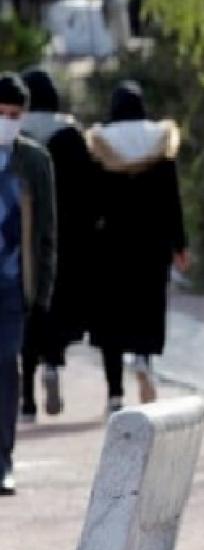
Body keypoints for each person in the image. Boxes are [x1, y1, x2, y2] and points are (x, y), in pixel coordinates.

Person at [85, 81, 188, 412]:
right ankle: (143, 359)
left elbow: (90, 204)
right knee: (146, 308)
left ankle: (115, 393)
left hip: (110, 245)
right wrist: (180, 245)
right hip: (152, 244)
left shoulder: (100, 143)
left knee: (110, 320)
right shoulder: (160, 141)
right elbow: (172, 200)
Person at [18, 69, 98, 422]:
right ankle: (53, 362)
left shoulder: (15, 137)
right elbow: (89, 194)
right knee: (57, 305)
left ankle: (26, 399)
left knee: (23, 312)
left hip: (19, 240)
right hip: (65, 240)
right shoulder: (70, 137)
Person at [0, 72, 57, 496]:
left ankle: (2, 459)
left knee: (6, 365)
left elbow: (47, 232)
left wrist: (43, 292)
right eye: (0, 113)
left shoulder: (35, 162)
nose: (6, 121)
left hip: (13, 285)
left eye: (14, 115)